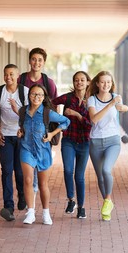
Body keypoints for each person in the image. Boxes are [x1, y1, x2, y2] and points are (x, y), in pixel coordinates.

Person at [17, 84, 70, 225]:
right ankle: (30, 213)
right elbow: (21, 126)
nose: (36, 97)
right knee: (28, 180)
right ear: (29, 96)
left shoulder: (47, 113)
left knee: (42, 184)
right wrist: (20, 132)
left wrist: (52, 133)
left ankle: (46, 212)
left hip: (43, 151)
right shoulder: (23, 111)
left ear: (44, 97)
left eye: (40, 95)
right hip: (26, 149)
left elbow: (66, 121)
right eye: (34, 94)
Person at [18, 47, 58, 204]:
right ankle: (27, 199)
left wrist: (53, 131)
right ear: (29, 61)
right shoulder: (21, 79)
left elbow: (54, 108)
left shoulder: (49, 83)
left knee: (39, 171)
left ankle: (31, 199)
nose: (36, 62)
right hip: (25, 130)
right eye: (34, 59)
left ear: (44, 63)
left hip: (42, 133)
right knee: (26, 169)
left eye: (40, 60)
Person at [87, 71, 128, 221]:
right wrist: (110, 105)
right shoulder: (92, 100)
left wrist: (122, 107)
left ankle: (108, 199)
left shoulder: (116, 97)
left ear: (112, 83)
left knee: (106, 170)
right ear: (97, 84)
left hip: (113, 140)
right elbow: (94, 119)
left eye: (109, 82)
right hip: (96, 141)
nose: (106, 85)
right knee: (100, 177)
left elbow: (122, 107)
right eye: (103, 82)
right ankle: (107, 205)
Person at [52, 71, 92, 219]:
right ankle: (71, 200)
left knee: (80, 176)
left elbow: (90, 125)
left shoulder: (92, 101)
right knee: (68, 170)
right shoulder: (67, 98)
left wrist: (77, 115)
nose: (79, 82)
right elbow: (49, 102)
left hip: (85, 142)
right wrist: (57, 117)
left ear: (88, 82)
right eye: (76, 80)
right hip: (68, 139)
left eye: (82, 80)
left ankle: (81, 207)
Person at [0, 64, 29, 221]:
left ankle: (22, 195)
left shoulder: (25, 92)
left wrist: (17, 111)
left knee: (20, 172)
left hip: (21, 136)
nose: (8, 77)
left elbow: (28, 115)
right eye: (6, 74)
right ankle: (8, 206)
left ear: (18, 75)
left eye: (12, 74)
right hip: (5, 136)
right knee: (6, 171)